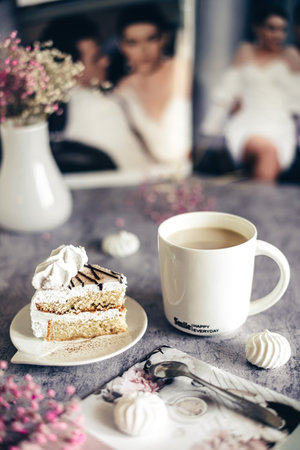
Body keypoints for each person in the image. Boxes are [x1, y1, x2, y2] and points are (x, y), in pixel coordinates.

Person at [41, 15, 157, 172]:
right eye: (96, 58)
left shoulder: (52, 113)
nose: (106, 61)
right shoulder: (102, 107)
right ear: (71, 70)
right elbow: (138, 167)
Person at [200, 5, 300, 182]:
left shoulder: (291, 55)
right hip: (248, 123)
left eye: (283, 30)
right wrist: (209, 131)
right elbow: (225, 93)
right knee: (266, 153)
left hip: (280, 126)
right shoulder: (245, 51)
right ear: (257, 28)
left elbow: (297, 101)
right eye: (272, 28)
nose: (279, 35)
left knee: (264, 166)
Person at [113, 2, 192, 173]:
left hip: (197, 169)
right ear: (122, 47)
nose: (143, 50)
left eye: (151, 38)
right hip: (155, 178)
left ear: (165, 38)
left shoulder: (182, 70)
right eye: (133, 43)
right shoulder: (123, 90)